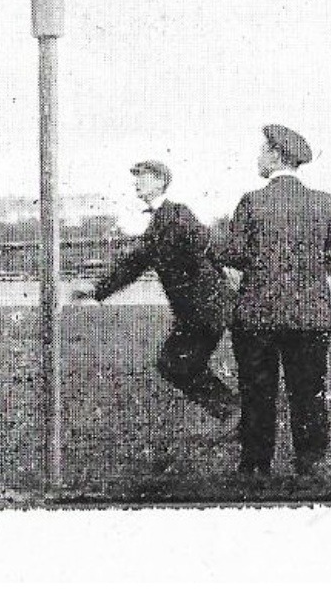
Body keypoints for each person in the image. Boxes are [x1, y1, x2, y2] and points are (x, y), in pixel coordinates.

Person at [215, 125, 331, 480]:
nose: (258, 156)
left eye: (261, 150)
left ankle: (256, 466)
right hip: (310, 316)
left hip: (258, 315)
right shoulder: (323, 201)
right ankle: (310, 464)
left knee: (258, 394)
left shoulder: (251, 201)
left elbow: (236, 254)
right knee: (309, 393)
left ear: (275, 154)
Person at [72, 160, 238, 431]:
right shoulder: (157, 224)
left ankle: (234, 411)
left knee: (175, 363)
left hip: (207, 309)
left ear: (161, 181)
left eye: (144, 177)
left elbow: (208, 244)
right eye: (136, 177)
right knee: (176, 364)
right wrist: (96, 290)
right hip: (195, 312)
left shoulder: (178, 214)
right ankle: (234, 412)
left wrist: (228, 272)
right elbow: (133, 265)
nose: (137, 183)